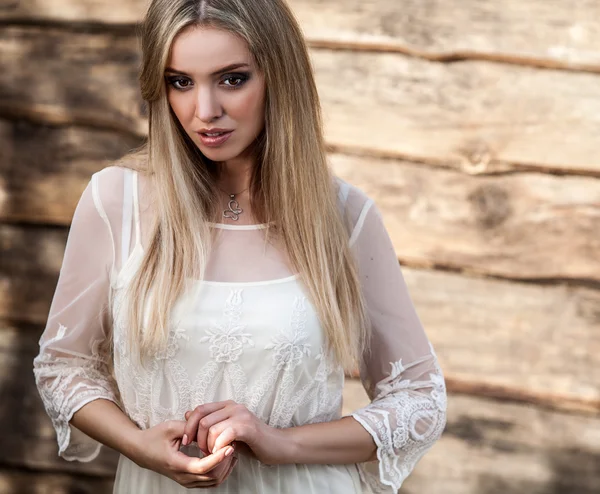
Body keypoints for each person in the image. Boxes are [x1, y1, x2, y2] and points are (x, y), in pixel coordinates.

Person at [32, 0, 447, 492]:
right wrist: (136, 444)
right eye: (180, 82)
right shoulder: (115, 199)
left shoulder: (344, 218)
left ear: (278, 77)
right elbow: (63, 367)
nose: (204, 111)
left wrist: (281, 443)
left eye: (232, 79)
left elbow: (419, 399)